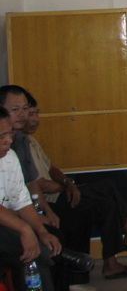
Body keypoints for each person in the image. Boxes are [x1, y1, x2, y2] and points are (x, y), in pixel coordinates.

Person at [23, 92, 127, 280]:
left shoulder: (32, 141)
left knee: (107, 204)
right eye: (30, 114)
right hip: (48, 204)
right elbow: (42, 185)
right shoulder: (19, 145)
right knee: (107, 186)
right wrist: (68, 188)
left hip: (61, 193)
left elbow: (51, 168)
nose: (36, 119)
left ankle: (111, 264)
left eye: (37, 113)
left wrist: (67, 182)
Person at [0, 106, 62, 291]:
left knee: (36, 248)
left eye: (10, 133)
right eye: (2, 136)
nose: (9, 140)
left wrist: (41, 232)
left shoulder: (9, 157)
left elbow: (22, 201)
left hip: (6, 227)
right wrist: (25, 229)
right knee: (30, 246)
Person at [0, 85, 60, 229]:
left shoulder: (21, 141)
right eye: (15, 109)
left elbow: (30, 186)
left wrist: (47, 213)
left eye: (25, 109)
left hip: (22, 209)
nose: (22, 114)